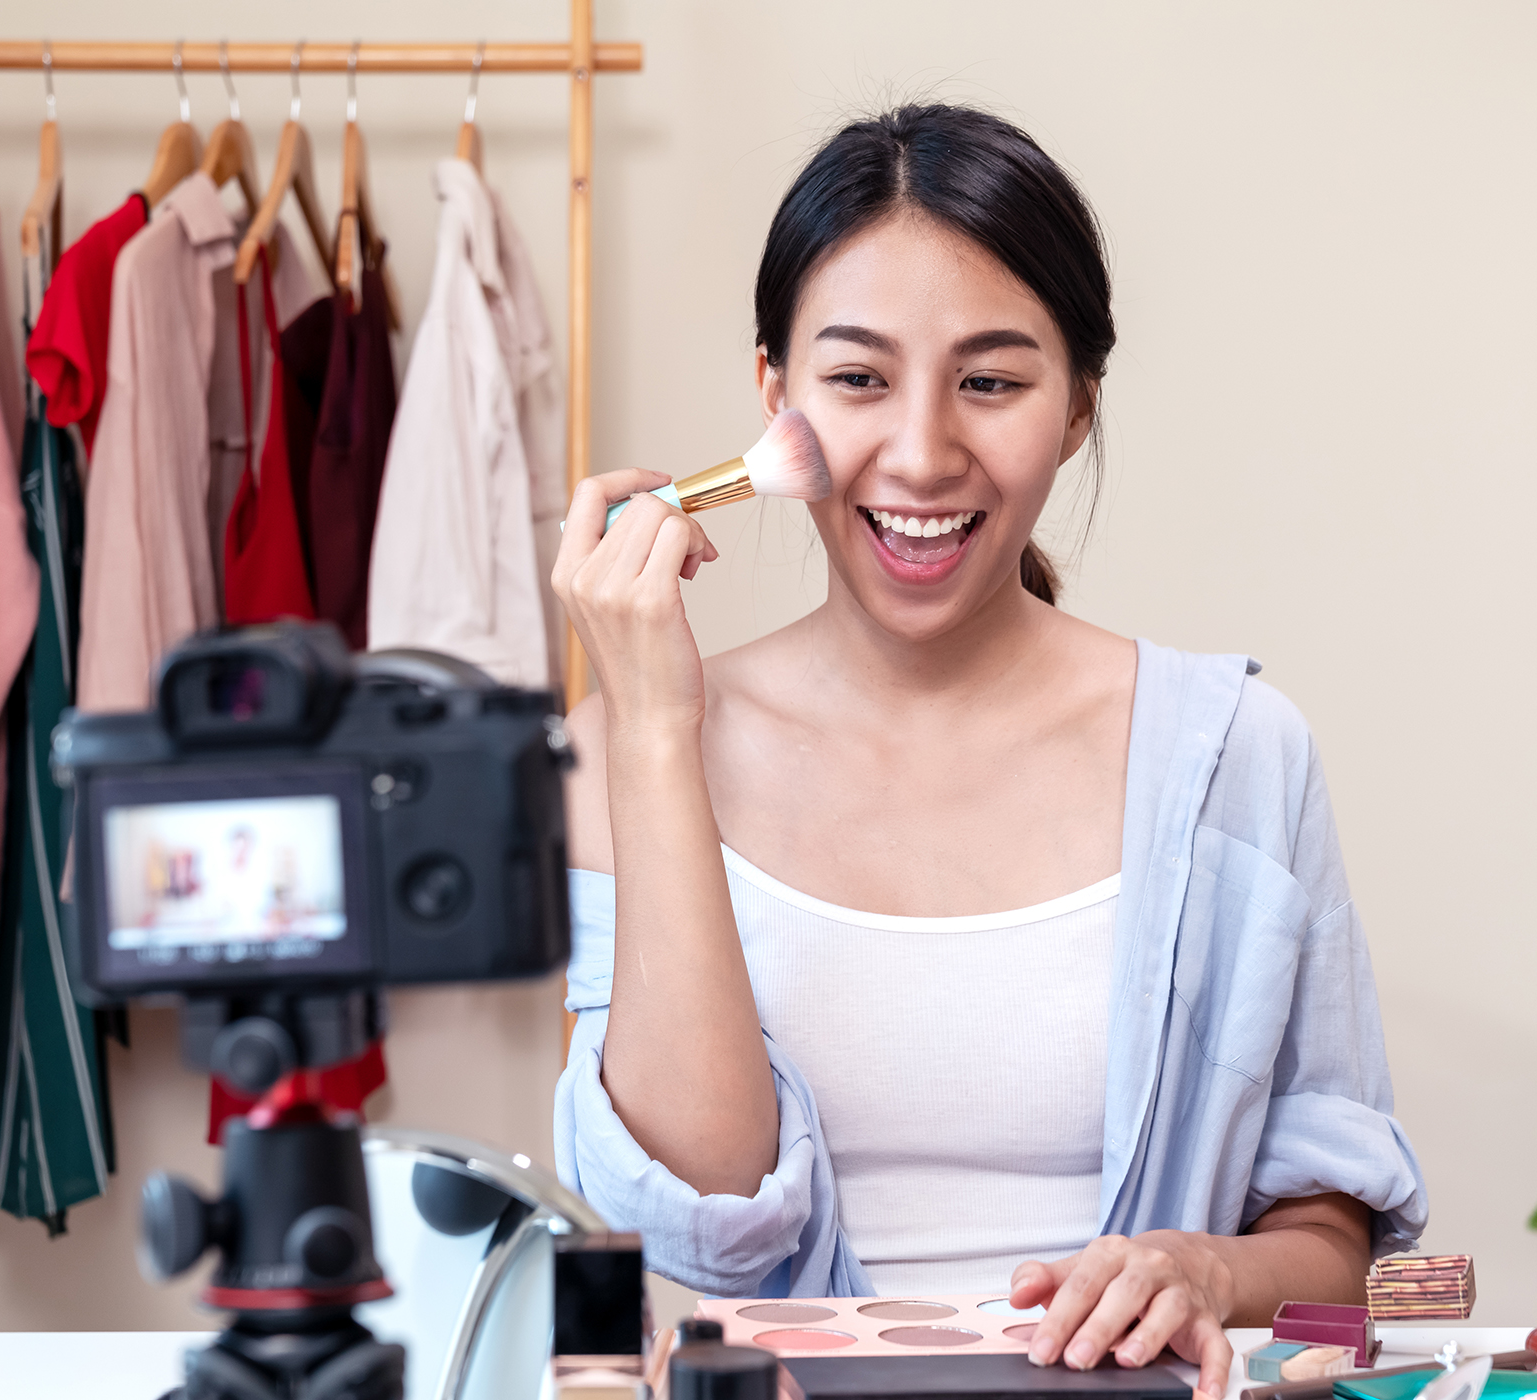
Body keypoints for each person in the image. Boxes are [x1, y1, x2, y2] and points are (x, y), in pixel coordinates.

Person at [551, 103, 1426, 1395]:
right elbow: (706, 1215)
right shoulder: (629, 749)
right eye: (858, 380)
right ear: (775, 396)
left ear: (1076, 408)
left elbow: (1344, 1264)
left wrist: (1204, 1270)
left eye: (992, 383)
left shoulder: (1238, 755)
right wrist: (651, 729)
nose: (921, 455)